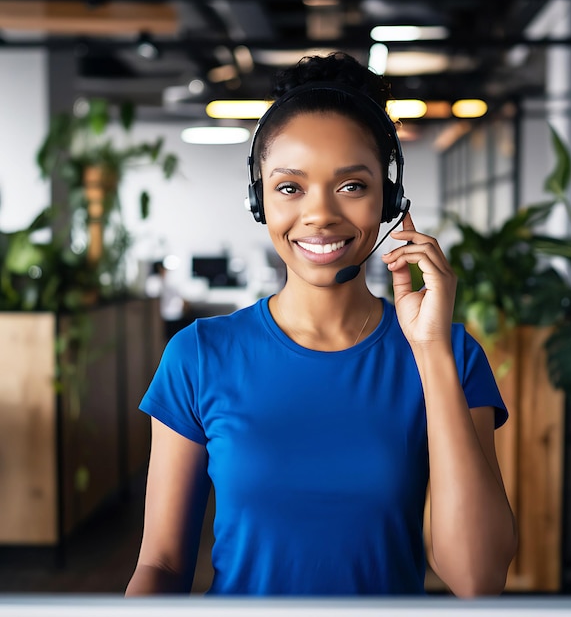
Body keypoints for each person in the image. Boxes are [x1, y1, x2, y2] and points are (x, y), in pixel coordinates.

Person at [125, 52, 517, 598]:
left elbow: (478, 579)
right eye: (290, 187)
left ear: (389, 199)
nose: (321, 214)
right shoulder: (199, 356)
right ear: (259, 199)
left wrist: (429, 352)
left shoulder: (447, 353)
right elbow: (163, 565)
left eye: (352, 186)